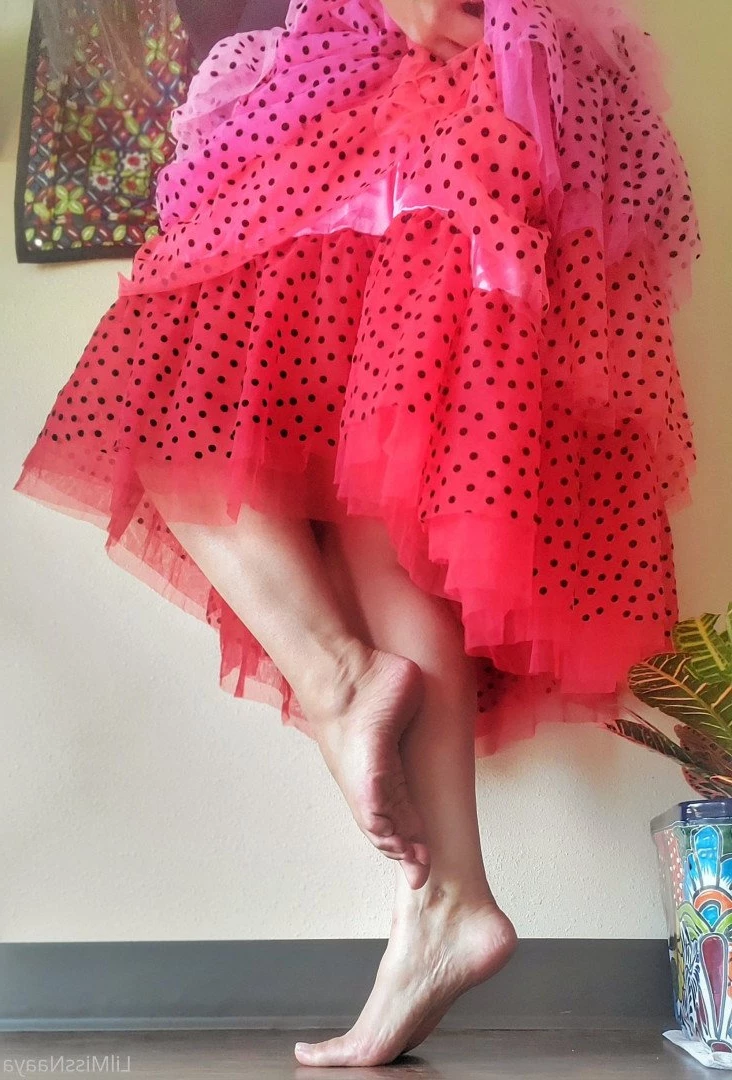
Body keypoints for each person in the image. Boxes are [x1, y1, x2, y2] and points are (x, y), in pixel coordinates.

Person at [18, 0, 701, 1066]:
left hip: (435, 66)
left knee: (177, 393)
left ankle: (352, 705)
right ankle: (448, 897)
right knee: (388, 486)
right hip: (411, 70)